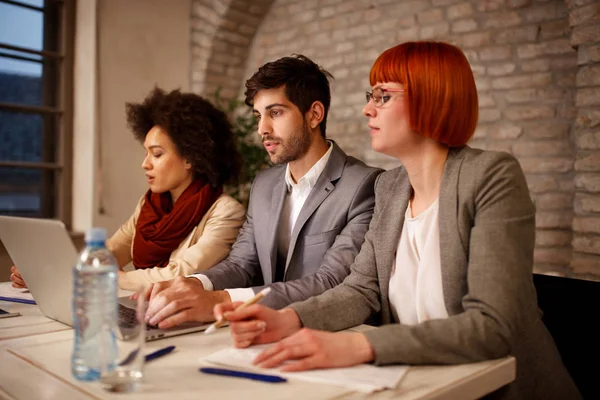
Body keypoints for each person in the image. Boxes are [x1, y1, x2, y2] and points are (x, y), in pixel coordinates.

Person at [216, 42, 581, 400]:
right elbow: (360, 290)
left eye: (382, 97)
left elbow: (492, 326)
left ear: (431, 99)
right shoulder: (390, 186)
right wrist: (290, 319)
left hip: (503, 388)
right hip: (421, 384)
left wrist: (359, 345)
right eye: (369, 96)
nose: (367, 110)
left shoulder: (491, 176)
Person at [141, 54, 382, 329]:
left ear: (315, 114)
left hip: (335, 335)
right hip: (264, 330)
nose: (262, 129)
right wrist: (193, 283)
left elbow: (330, 282)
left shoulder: (364, 185)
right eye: (258, 116)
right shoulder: (265, 184)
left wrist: (219, 300)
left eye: (275, 113)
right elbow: (242, 264)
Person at [10, 88, 246, 291]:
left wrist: (113, 277)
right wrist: (46, 277)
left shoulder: (226, 212)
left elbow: (181, 273)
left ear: (191, 158)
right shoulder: (150, 206)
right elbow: (107, 254)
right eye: (146, 153)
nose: (145, 163)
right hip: (144, 308)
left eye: (157, 154)